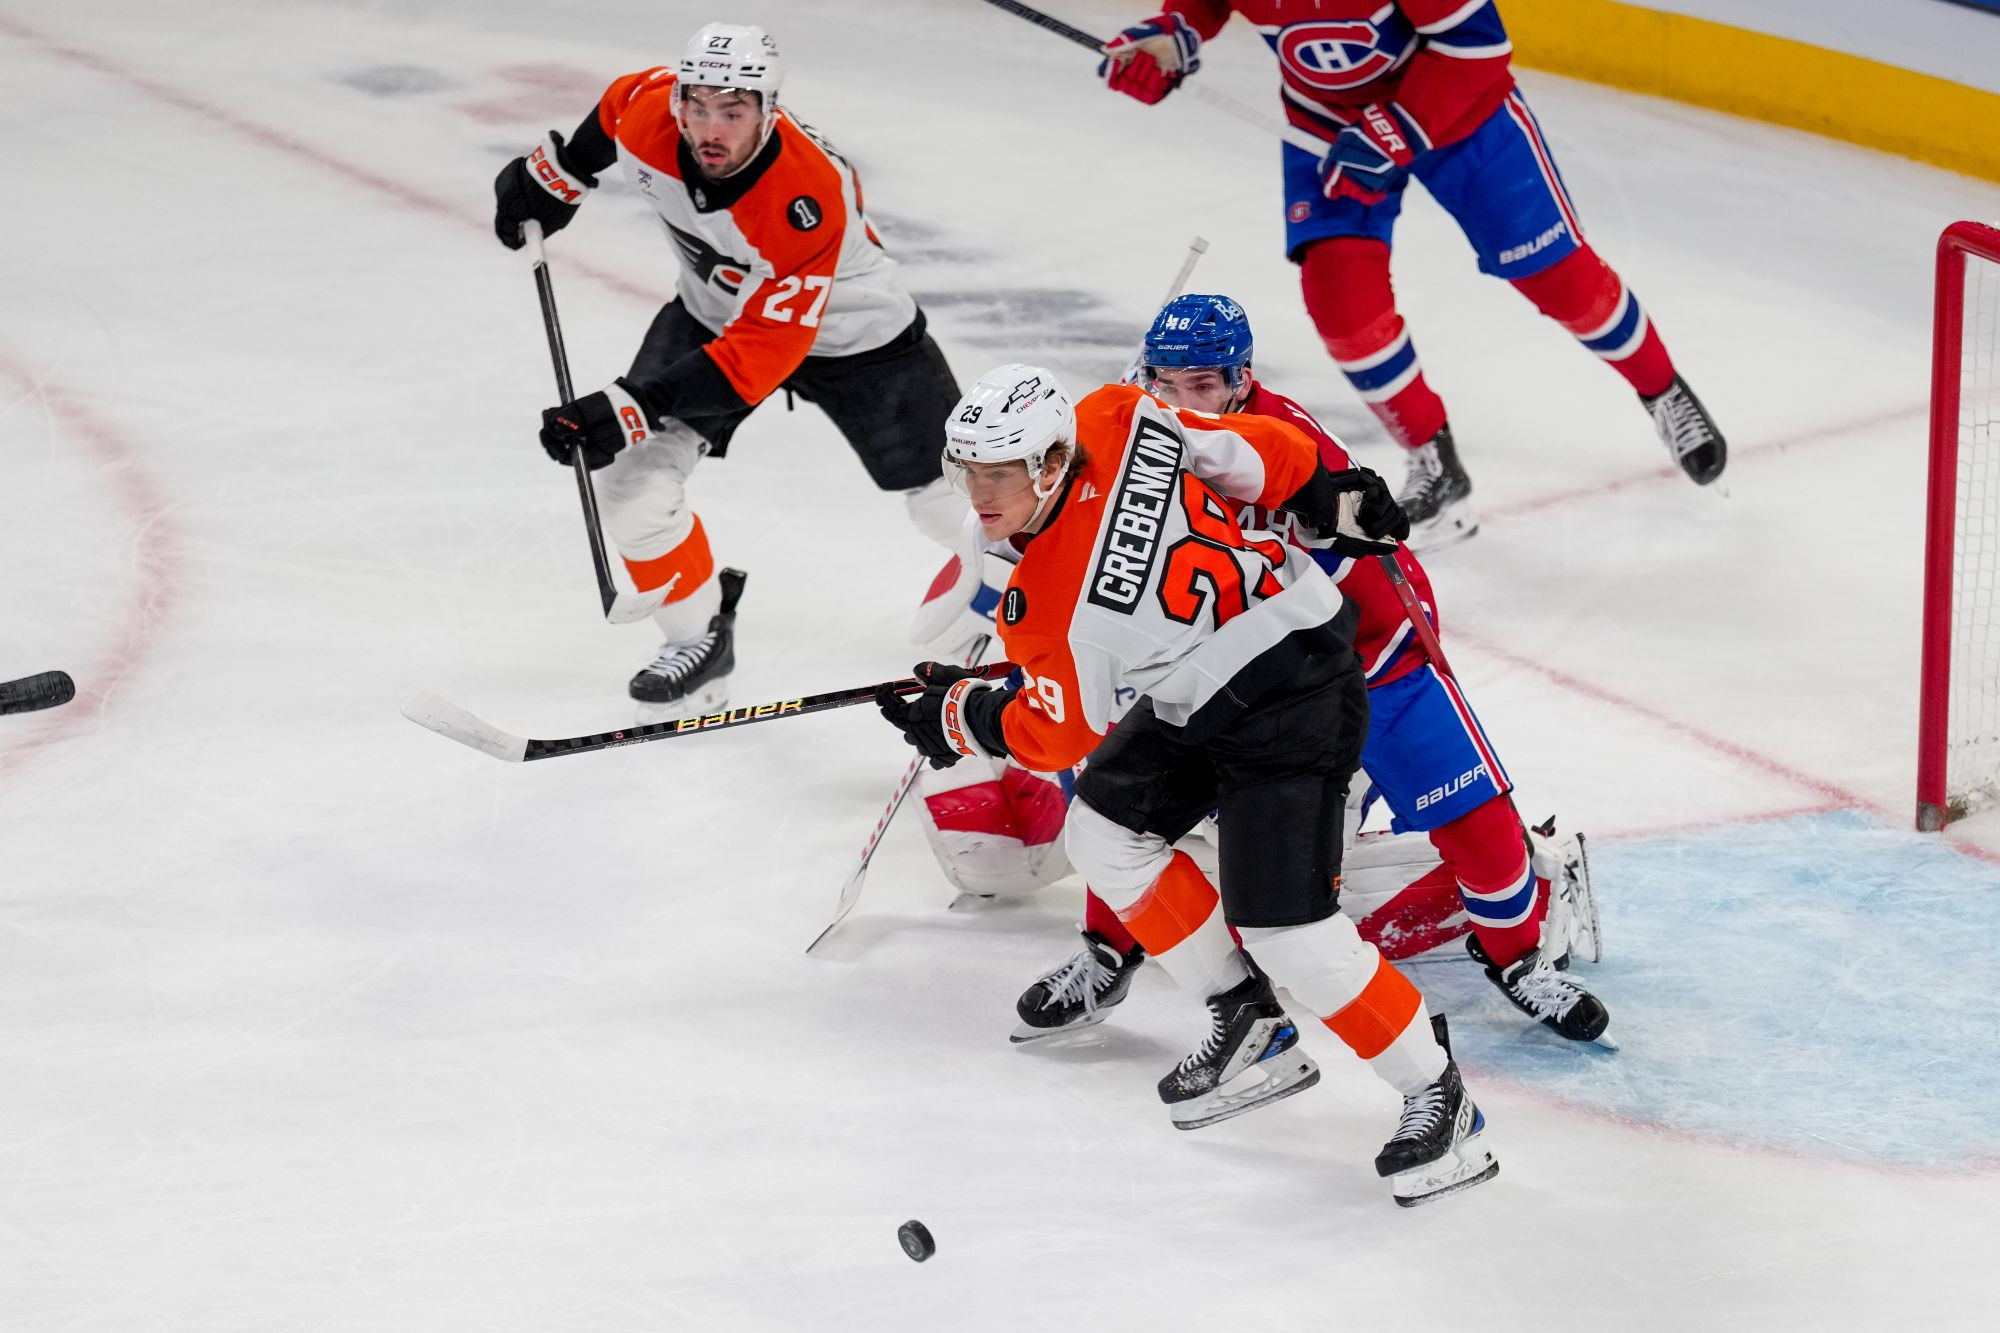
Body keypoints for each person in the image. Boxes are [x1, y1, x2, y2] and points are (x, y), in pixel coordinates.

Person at [877, 362, 1497, 1206]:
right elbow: (1257, 449)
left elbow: (1058, 731)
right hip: (1204, 685)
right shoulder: (1117, 415)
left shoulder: (1051, 603)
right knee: (1102, 832)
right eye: (968, 471)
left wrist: (962, 714)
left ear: (1052, 462)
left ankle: (1439, 1093)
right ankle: (1245, 1015)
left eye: (1000, 473)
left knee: (1289, 931)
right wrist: (1321, 489)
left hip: (1295, 691)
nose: (979, 494)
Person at [1014, 295, 1610, 1049]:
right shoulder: (1140, 432)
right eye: (1166, 381)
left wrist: (1352, 516)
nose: (1182, 399)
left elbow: (1356, 522)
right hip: (1245, 673)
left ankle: (1518, 958)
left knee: (1477, 822)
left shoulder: (1281, 436)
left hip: (1372, 653)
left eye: (1202, 384)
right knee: (1126, 810)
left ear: (1241, 378)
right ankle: (1108, 950)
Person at [1098, 2, 1727, 550]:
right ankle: (1435, 462)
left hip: (1458, 114)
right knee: (1342, 303)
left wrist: (1397, 129)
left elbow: (1475, 44)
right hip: (1327, 120)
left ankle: (1662, 389)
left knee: (1558, 276)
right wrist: (1174, 33)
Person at [492, 22, 965, 713]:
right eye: (699, 106)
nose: (711, 129)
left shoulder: (804, 196)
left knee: (955, 498)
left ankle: (1041, 603)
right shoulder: (651, 112)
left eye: (734, 111)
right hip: (714, 315)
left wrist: (631, 404)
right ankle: (699, 638)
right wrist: (560, 175)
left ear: (769, 111)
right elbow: (616, 109)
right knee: (630, 488)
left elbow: (762, 352)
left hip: (854, 335)